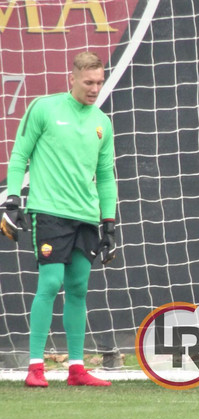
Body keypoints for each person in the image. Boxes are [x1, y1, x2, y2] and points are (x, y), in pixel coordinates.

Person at [1, 51, 117, 387]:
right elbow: (19, 154)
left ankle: (77, 368)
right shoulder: (44, 108)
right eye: (88, 82)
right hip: (48, 211)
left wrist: (108, 223)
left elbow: (106, 177)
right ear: (73, 78)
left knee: (78, 288)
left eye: (99, 82)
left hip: (86, 216)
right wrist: (11, 198)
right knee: (51, 283)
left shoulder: (102, 123)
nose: (95, 88)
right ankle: (35, 367)